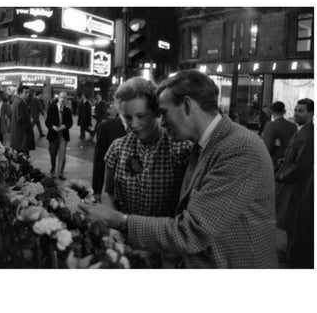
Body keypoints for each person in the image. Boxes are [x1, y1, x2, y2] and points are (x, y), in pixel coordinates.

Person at [79, 70, 278, 269]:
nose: (162, 122)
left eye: (164, 113)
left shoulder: (238, 148)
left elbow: (192, 231)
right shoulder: (204, 145)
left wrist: (120, 220)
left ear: (188, 105)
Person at [100, 77, 192, 218]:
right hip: (122, 236)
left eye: (141, 116)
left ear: (156, 112)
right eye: (128, 117)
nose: (134, 124)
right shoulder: (117, 148)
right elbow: (107, 192)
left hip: (164, 235)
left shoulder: (182, 149)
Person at [274, 98, 314, 262]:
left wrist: (280, 175)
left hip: (298, 185)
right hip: (293, 182)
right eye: (296, 110)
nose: (296, 113)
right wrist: (284, 162)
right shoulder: (301, 130)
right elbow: (294, 158)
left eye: (301, 111)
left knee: (295, 220)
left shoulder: (309, 134)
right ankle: (291, 253)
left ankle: (294, 255)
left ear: (311, 114)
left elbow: (301, 165)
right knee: (291, 220)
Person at [91, 100, 128, 199]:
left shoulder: (142, 127)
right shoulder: (105, 127)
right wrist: (97, 190)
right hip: (113, 190)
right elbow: (99, 160)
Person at [45, 91, 73, 180]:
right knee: (53, 154)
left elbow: (70, 122)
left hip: (63, 136)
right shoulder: (52, 108)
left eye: (64, 98)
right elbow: (47, 121)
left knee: (62, 155)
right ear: (58, 98)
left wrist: (65, 126)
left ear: (66, 100)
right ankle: (53, 169)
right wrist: (52, 126)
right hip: (53, 135)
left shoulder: (68, 110)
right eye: (61, 97)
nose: (62, 99)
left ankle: (60, 173)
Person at [262, 101, 297, 169]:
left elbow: (268, 146)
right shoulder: (293, 126)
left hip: (275, 163)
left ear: (271, 111)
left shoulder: (270, 126)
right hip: (289, 162)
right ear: (284, 111)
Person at [10, 85, 35, 156]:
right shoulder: (19, 102)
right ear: (20, 92)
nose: (28, 94)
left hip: (19, 136)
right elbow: (20, 119)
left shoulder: (19, 101)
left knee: (20, 156)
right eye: (26, 92)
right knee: (23, 157)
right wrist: (28, 128)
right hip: (21, 136)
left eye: (28, 92)